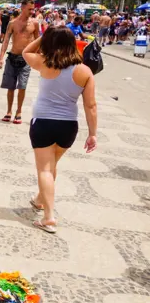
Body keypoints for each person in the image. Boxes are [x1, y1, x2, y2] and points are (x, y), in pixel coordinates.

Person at [22, 27, 97, 233]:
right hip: (68, 126)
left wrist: (42, 36)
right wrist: (92, 134)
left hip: (44, 123)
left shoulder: (45, 62)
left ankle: (49, 218)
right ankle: (39, 200)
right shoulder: (84, 71)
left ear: (51, 43)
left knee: (45, 169)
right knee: (51, 165)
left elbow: (25, 52)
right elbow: (90, 106)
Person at [0, 0, 40, 125]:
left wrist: (38, 57)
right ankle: (9, 111)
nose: (32, 12)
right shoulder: (12, 23)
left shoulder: (35, 23)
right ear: (22, 8)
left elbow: (38, 41)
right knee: (10, 87)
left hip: (26, 59)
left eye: (33, 9)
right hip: (12, 57)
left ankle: (19, 112)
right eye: (29, 9)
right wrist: (0, 57)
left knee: (22, 86)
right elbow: (5, 41)